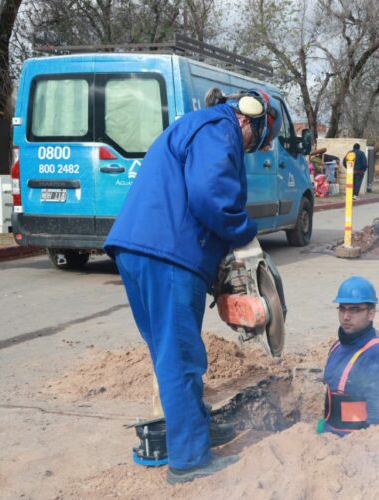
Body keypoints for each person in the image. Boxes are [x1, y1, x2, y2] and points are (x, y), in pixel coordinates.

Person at [104, 88, 281, 484]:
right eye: (259, 139)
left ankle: (194, 429)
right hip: (167, 255)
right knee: (181, 358)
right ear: (252, 118)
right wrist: (244, 234)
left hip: (139, 251)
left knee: (169, 355)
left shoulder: (197, 124)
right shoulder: (220, 128)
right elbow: (210, 194)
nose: (253, 148)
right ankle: (189, 460)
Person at [321, 276, 379, 436]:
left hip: (352, 444)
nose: (346, 316)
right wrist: (319, 431)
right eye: (342, 308)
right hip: (328, 433)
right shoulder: (337, 346)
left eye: (354, 310)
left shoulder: (378, 358)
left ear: (371, 313)